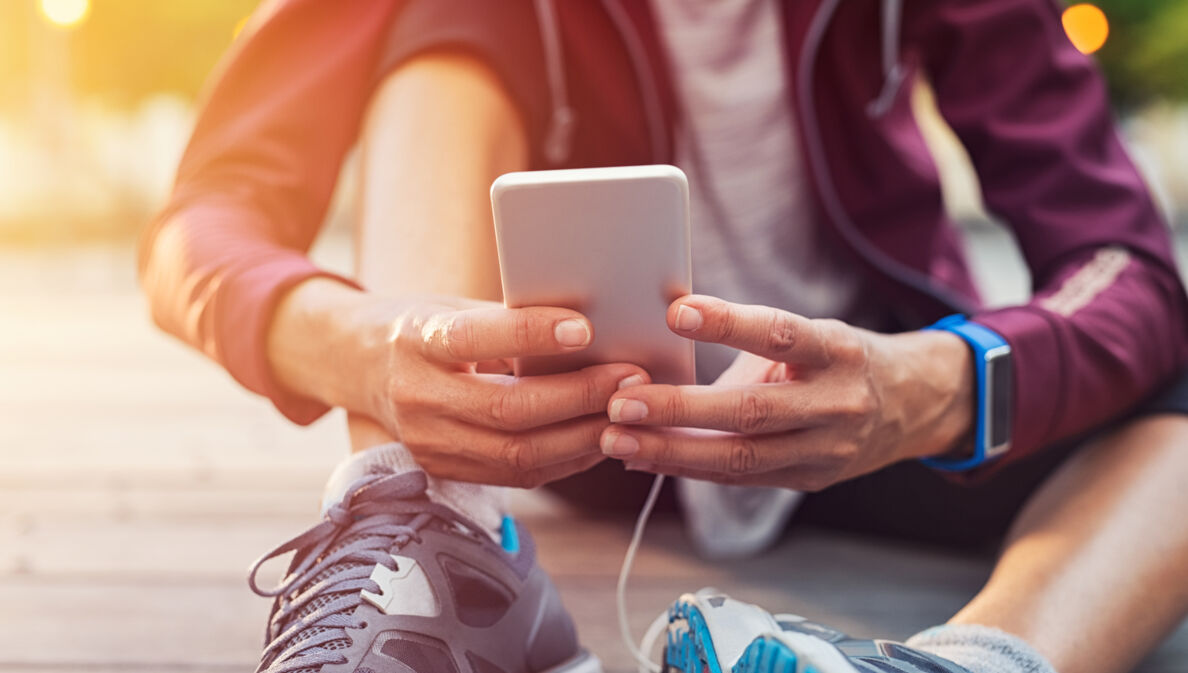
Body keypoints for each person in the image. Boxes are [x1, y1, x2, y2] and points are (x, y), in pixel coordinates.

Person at [138, 1, 1188, 672]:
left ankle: (974, 666)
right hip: (570, 425)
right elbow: (203, 224)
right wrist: (355, 341)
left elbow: (1130, 273)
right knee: (443, 25)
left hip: (863, 410)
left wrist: (937, 383)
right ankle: (429, 527)